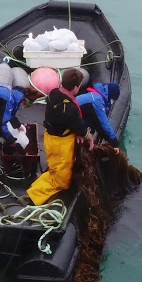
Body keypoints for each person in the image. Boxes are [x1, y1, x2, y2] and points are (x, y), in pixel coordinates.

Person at [24, 66, 89, 206]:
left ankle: (34, 189)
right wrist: (88, 137)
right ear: (76, 87)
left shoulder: (53, 93)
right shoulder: (70, 108)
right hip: (61, 145)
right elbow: (80, 127)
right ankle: (31, 197)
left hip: (50, 138)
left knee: (55, 169)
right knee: (62, 182)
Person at [74, 80, 122, 148]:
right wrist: (114, 142)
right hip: (72, 119)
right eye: (113, 99)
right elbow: (104, 123)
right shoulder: (97, 100)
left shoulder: (95, 95)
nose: (112, 102)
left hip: (76, 116)